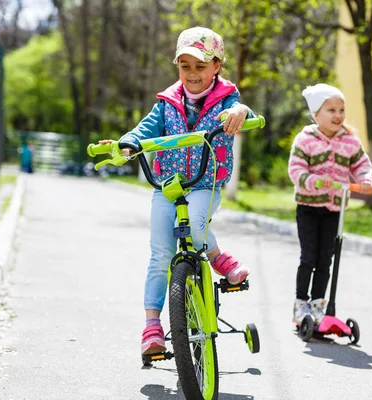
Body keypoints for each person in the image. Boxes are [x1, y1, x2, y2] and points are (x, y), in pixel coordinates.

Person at [100, 27, 253, 355]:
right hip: (167, 186)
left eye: (200, 66)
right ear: (177, 67)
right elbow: (146, 129)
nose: (193, 74)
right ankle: (152, 327)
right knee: (159, 256)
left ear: (216, 67)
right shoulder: (167, 103)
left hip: (205, 182)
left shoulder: (227, 99)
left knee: (197, 224)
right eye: (185, 66)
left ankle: (218, 258)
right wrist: (129, 142)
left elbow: (242, 112)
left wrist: (240, 113)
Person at [288, 83, 372, 325]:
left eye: (341, 110)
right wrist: (313, 181)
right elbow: (296, 170)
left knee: (325, 259)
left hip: (335, 209)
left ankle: (318, 304)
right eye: (331, 110)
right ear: (317, 114)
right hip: (308, 208)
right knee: (309, 258)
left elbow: (361, 165)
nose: (338, 116)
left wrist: (365, 179)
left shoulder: (350, 141)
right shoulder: (305, 139)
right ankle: (300, 304)